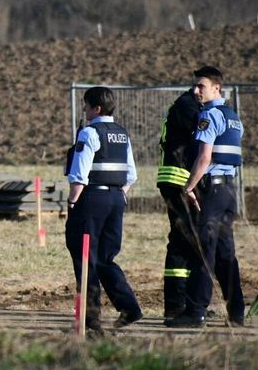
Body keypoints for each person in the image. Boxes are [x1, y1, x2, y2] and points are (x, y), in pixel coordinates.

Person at [167, 66, 245, 328]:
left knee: (204, 252)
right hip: (228, 191)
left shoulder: (209, 116)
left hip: (211, 190)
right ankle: (237, 312)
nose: (196, 90)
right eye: (195, 86)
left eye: (201, 85)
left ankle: (195, 311)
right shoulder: (233, 116)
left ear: (216, 88)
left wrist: (189, 187)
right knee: (225, 254)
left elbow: (204, 157)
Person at [64, 86, 143, 335]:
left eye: (86, 105)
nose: (84, 110)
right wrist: (118, 194)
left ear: (96, 108)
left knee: (84, 258)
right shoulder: (122, 133)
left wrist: (73, 201)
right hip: (116, 199)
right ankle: (129, 307)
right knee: (106, 258)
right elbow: (131, 174)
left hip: (91, 200)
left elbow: (80, 173)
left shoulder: (89, 133)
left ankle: (91, 321)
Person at [155, 87, 201, 319]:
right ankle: (177, 305)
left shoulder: (183, 105)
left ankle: (184, 304)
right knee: (184, 240)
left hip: (177, 178)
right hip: (179, 178)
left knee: (184, 241)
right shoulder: (188, 106)